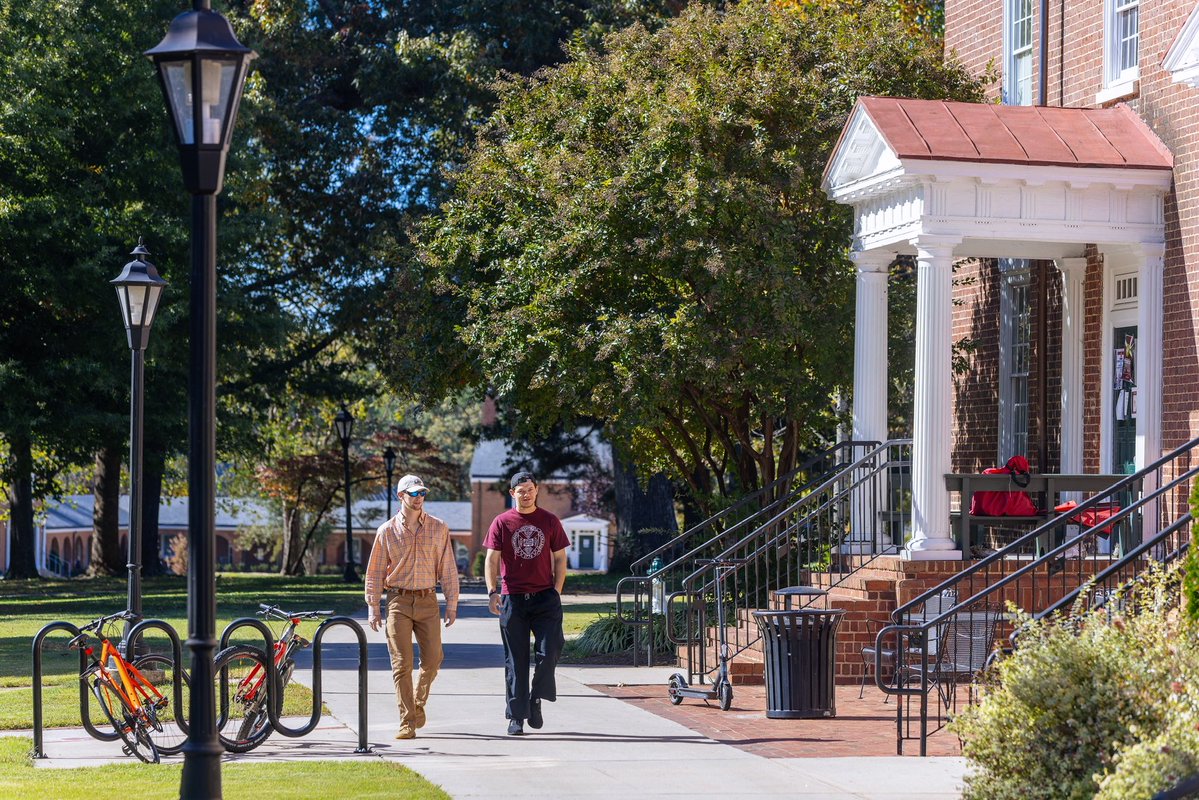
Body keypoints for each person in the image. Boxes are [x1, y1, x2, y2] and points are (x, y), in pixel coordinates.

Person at [364, 473, 459, 740]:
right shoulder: (387, 531)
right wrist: (373, 605)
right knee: (401, 664)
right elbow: (374, 572)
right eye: (413, 494)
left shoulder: (439, 528)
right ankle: (407, 721)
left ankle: (417, 704)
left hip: (428, 601)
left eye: (422, 493)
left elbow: (448, 567)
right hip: (398, 601)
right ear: (401, 496)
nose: (419, 498)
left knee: (432, 660)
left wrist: (451, 603)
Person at [484, 471, 569, 736]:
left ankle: (535, 697)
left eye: (530, 489)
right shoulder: (502, 522)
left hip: (545, 597)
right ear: (513, 494)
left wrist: (556, 591)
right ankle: (516, 717)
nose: (526, 493)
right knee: (515, 660)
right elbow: (491, 559)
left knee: (550, 650)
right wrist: (492, 592)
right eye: (520, 490)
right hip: (513, 600)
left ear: (537, 490)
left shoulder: (550, 520)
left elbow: (560, 559)